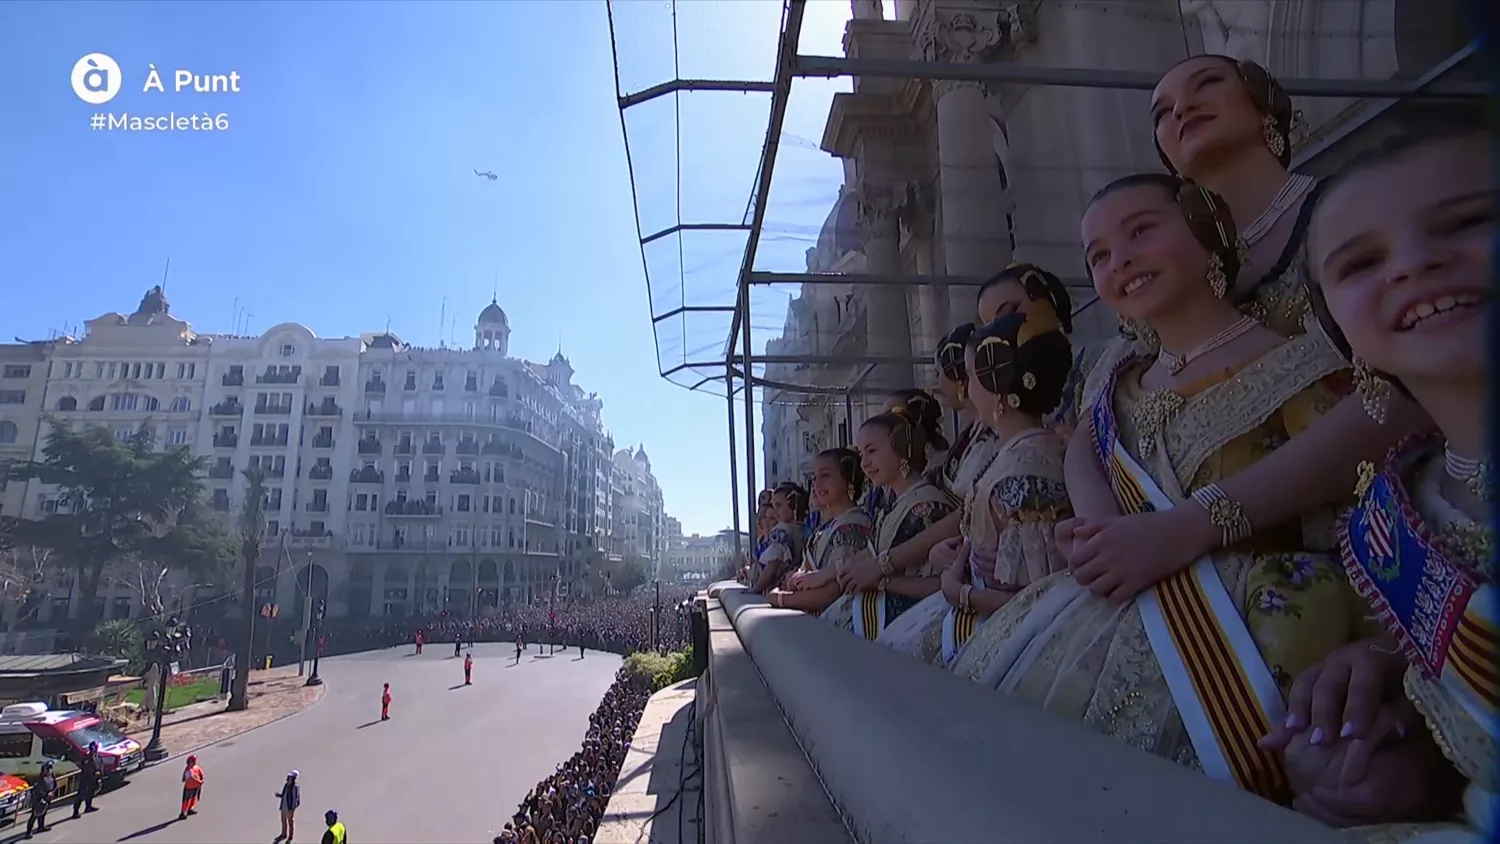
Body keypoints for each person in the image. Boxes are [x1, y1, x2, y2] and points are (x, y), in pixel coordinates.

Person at [954, 173, 1381, 804]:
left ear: (1207, 235)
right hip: (1109, 600)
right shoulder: (1113, 375)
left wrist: (1181, 531)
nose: (1118, 259)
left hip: (1246, 626)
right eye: (1098, 255)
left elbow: (1355, 496)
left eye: (1141, 232)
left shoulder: (1300, 365)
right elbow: (1084, 451)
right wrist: (1101, 529)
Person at [1262, 125, 1492, 834]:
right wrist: (1404, 741)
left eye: (1473, 220)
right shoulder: (1395, 519)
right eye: (1361, 262)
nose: (1415, 264)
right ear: (1343, 337)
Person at [879, 308, 1074, 665]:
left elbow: (1041, 600)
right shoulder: (1009, 454)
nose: (965, 388)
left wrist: (960, 592)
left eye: (970, 376)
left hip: (1008, 638)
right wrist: (957, 555)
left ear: (996, 385)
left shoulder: (1025, 473)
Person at [824, 407, 957, 638]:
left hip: (915, 625)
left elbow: (940, 585)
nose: (864, 464)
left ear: (901, 449)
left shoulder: (928, 507)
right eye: (861, 455)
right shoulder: (890, 507)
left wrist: (882, 581)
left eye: (872, 451)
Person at [768, 448, 874, 614]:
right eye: (814, 477)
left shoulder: (853, 525)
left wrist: (780, 599)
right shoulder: (827, 528)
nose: (816, 484)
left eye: (825, 475)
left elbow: (831, 593)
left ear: (848, 479)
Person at [747, 483, 807, 594]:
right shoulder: (804, 528)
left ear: (793, 504)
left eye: (778, 506)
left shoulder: (781, 531)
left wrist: (756, 589)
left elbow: (772, 565)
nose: (775, 512)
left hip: (777, 587)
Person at [25, 760, 56, 837]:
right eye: (48, 768)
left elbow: (55, 785)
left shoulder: (52, 775)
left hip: (48, 798)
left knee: (43, 813)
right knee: (34, 815)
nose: (49, 770)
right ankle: (28, 832)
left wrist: (52, 792)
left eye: (50, 768)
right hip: (38, 799)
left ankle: (41, 826)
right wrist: (46, 794)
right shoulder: (40, 778)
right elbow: (38, 790)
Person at [73, 740, 101, 817]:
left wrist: (99, 772)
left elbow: (100, 765)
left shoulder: (97, 756)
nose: (95, 749)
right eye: (94, 747)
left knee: (90, 793)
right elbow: (86, 768)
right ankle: (75, 811)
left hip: (94, 778)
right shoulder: (87, 757)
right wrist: (93, 773)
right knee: (81, 795)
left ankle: (88, 807)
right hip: (85, 779)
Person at [276, 770, 301, 843]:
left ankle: (290, 836)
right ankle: (284, 834)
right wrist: (279, 795)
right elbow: (284, 794)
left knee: (290, 822)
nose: (287, 779)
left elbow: (296, 799)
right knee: (283, 820)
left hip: (290, 807)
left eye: (289, 777)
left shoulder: (295, 787)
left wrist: (293, 808)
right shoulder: (286, 785)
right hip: (284, 805)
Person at [179, 754, 205, 819]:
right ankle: (183, 813)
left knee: (193, 798)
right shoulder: (188, 770)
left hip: (195, 786)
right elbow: (191, 777)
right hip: (189, 787)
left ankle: (190, 809)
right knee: (186, 800)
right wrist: (199, 782)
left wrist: (202, 778)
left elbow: (200, 772)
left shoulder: (196, 767)